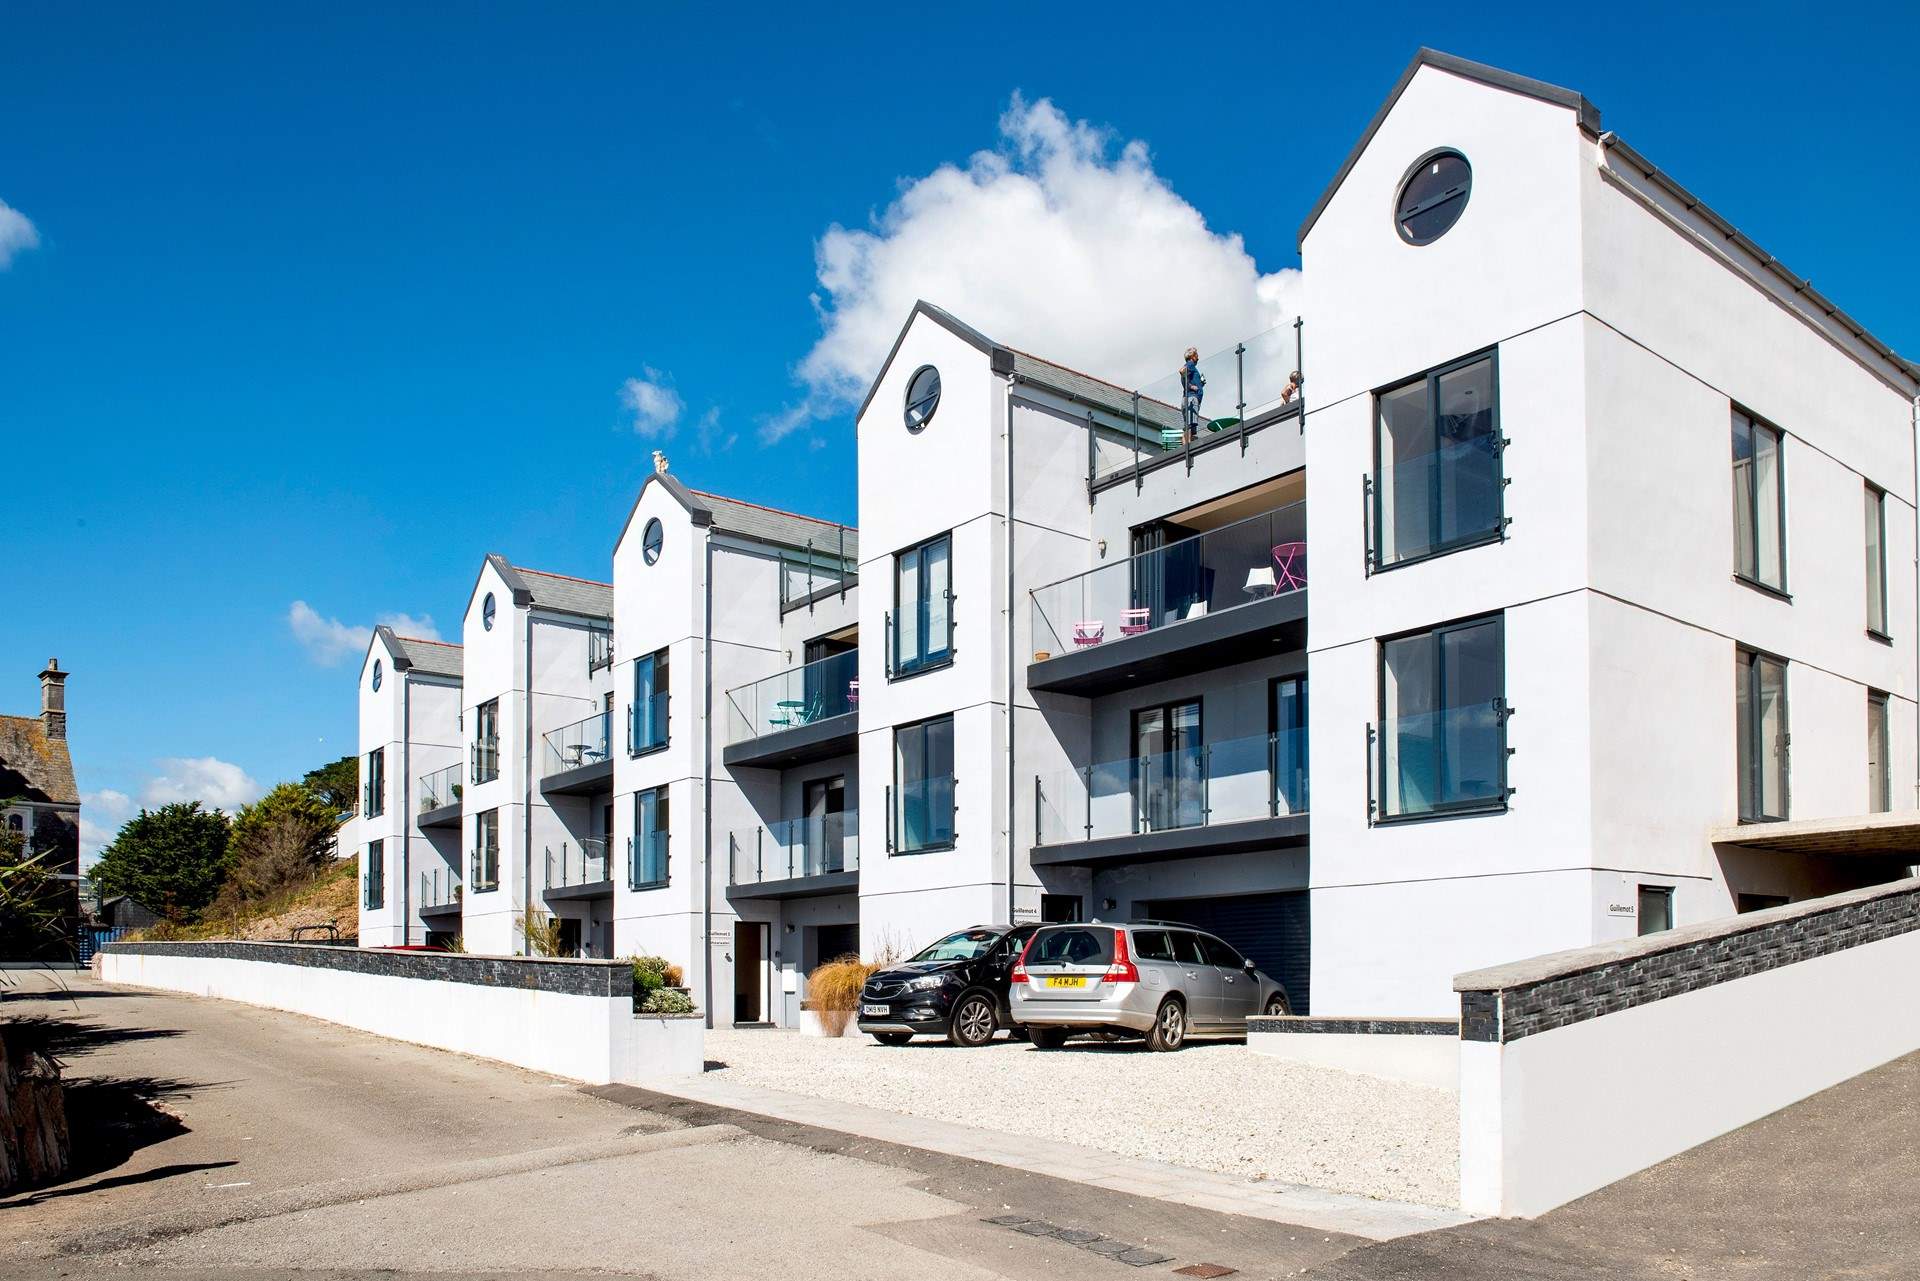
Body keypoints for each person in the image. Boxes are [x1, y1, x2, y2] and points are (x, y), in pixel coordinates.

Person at [1180, 347, 1205, 439]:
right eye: (1196, 355)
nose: (1198, 358)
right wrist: (1190, 386)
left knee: (1192, 429)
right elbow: (1182, 371)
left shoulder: (1192, 367)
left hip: (1191, 399)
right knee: (1189, 427)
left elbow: (1184, 376)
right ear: (1192, 356)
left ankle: (1189, 449)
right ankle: (1185, 449)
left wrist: (1200, 384)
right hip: (1191, 399)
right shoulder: (1190, 364)